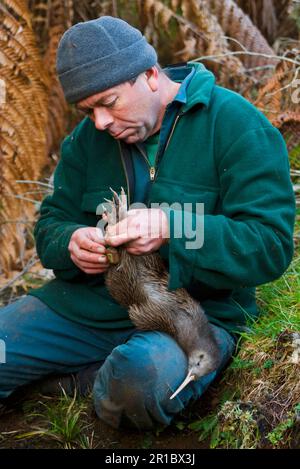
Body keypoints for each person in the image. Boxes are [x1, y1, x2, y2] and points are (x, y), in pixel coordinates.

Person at [0, 16, 295, 430]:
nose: (100, 122)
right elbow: (50, 225)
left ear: (151, 76)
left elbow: (270, 244)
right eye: (88, 111)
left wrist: (172, 226)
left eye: (110, 102)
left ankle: (89, 382)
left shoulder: (236, 126)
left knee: (138, 383)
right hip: (86, 309)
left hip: (188, 316)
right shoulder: (86, 141)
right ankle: (86, 372)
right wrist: (70, 242)